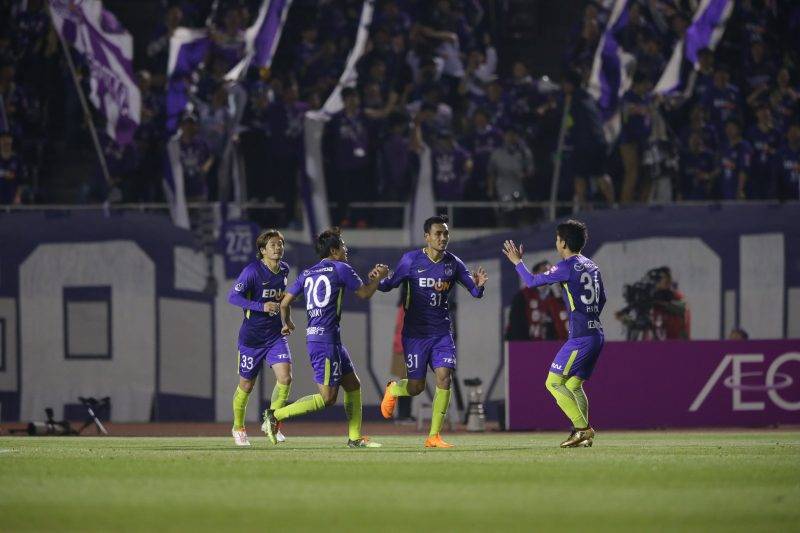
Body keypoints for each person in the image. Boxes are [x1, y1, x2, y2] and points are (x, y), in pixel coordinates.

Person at [262, 228, 389, 448]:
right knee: (328, 398)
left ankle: (354, 438)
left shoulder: (307, 273)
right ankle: (275, 415)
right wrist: (379, 278)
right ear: (333, 251)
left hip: (325, 340)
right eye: (342, 245)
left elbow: (284, 303)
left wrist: (287, 322)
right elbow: (364, 293)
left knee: (353, 385)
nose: (346, 249)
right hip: (326, 342)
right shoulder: (341, 268)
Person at [379, 215, 488, 448]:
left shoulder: (454, 263)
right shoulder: (410, 260)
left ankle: (434, 436)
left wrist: (479, 286)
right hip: (415, 335)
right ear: (427, 237)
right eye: (438, 233)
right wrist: (378, 280)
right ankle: (394, 389)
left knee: (444, 376)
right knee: (416, 387)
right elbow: (390, 285)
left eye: (446, 233)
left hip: (442, 333)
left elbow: (474, 292)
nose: (443, 237)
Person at [502, 219, 605, 448]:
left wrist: (518, 262)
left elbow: (531, 281)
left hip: (581, 337)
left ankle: (583, 429)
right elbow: (602, 299)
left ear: (564, 243)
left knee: (553, 383)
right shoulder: (592, 266)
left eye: (557, 239)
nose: (556, 243)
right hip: (596, 333)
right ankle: (582, 435)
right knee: (574, 385)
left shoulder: (566, 266)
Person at [227, 230, 293, 446]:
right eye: (273, 245)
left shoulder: (284, 269)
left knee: (285, 378)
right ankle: (238, 427)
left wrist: (287, 320)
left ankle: (271, 423)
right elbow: (232, 297)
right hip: (252, 339)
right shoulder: (252, 271)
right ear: (263, 250)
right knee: (246, 385)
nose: (278, 248)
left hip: (275, 336)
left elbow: (282, 300)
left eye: (280, 244)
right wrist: (261, 306)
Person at [505, 260, 568, 341]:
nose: (548, 274)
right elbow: (516, 322)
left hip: (546, 345)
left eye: (550, 272)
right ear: (534, 274)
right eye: (544, 271)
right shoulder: (523, 295)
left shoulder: (554, 299)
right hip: (523, 343)